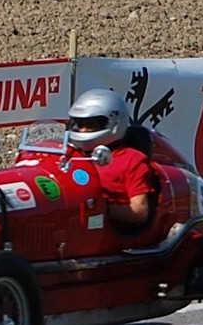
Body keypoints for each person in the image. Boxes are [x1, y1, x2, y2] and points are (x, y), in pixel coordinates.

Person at [66, 88, 157, 228]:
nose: (82, 130)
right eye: (80, 124)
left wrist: (100, 208)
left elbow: (140, 212)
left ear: (114, 123)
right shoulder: (71, 154)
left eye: (91, 125)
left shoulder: (133, 160)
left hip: (103, 231)